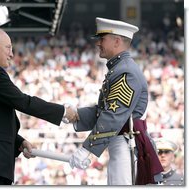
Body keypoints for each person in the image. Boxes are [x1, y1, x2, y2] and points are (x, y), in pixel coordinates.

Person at [0, 28, 78, 185]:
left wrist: (19, 142)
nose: (11, 54)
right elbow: (23, 101)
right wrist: (63, 112)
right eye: (8, 48)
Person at [68, 17, 163, 185]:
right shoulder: (120, 68)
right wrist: (76, 115)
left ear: (117, 41)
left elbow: (113, 116)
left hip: (125, 144)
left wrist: (86, 149)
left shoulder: (125, 71)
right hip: (120, 142)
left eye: (102, 39)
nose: (98, 43)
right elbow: (106, 110)